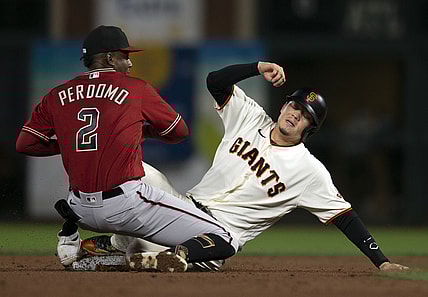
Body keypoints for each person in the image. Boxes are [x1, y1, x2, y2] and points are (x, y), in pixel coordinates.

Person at [77, 61, 409, 273]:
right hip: (180, 208)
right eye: (295, 106)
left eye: (306, 116)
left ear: (310, 129)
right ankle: (124, 248)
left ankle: (133, 253)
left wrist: (381, 262)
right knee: (144, 173)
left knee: (172, 246)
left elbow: (345, 217)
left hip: (213, 240)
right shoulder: (250, 116)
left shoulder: (310, 172)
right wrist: (257, 67)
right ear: (284, 106)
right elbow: (215, 81)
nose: (296, 114)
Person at [15, 25, 237, 272]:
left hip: (80, 210)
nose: (129, 63)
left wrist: (69, 142)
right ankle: (170, 256)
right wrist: (143, 131)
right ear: (109, 58)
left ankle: (83, 247)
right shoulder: (135, 88)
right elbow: (179, 131)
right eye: (125, 56)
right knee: (223, 238)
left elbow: (25, 144)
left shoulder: (56, 95)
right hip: (126, 205)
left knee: (132, 218)